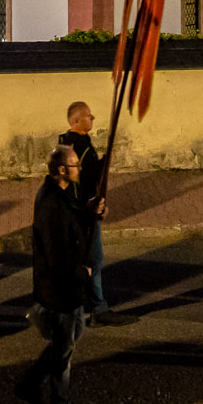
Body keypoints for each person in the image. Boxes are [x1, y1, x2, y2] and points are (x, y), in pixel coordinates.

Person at [17, 146, 97, 404]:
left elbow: (73, 217)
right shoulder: (50, 202)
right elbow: (55, 254)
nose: (80, 169)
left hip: (65, 287)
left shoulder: (58, 194)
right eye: (75, 165)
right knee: (64, 348)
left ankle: (31, 384)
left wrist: (88, 210)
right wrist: (81, 274)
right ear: (62, 169)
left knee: (71, 337)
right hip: (60, 289)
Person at [55, 102, 111, 322]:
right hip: (82, 215)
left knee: (84, 262)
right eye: (88, 116)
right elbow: (78, 186)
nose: (93, 118)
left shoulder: (72, 145)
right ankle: (96, 309)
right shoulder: (77, 149)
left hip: (80, 212)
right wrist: (89, 209)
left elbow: (92, 175)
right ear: (75, 121)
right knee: (92, 261)